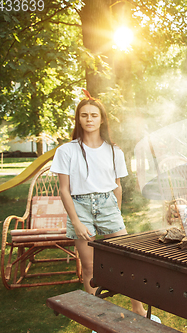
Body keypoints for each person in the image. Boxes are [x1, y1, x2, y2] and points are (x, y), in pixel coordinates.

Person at [50, 90, 160, 325]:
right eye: (84, 115)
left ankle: (138, 311)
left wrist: (116, 213)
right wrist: (77, 222)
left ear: (101, 119)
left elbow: (118, 187)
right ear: (78, 119)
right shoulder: (66, 150)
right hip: (79, 206)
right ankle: (96, 320)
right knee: (89, 268)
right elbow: (64, 190)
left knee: (129, 260)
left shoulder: (114, 151)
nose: (89, 119)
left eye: (93, 115)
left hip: (107, 204)